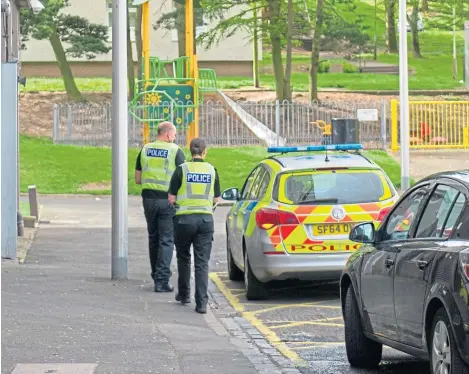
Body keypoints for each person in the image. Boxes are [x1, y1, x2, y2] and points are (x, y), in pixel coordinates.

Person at [168, 138, 221, 314]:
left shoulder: (182, 170)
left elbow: (171, 198)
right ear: (205, 152)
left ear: (190, 151)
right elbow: (216, 199)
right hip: (205, 221)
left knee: (183, 258)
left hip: (184, 220)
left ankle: (184, 294)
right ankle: (202, 303)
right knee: (201, 262)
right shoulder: (212, 170)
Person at [135, 121, 185, 292]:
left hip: (148, 199)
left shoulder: (145, 149)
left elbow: (137, 178)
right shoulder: (175, 151)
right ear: (168, 134)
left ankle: (156, 274)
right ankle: (162, 281)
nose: (176, 137)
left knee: (153, 238)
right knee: (166, 240)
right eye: (175, 134)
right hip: (167, 200)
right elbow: (183, 177)